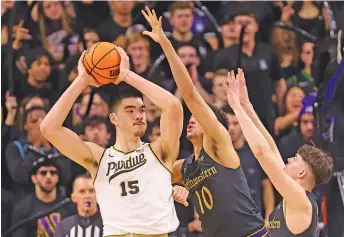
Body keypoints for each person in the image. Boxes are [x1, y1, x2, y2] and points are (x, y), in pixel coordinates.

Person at [40, 34, 187, 236]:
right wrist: (82, 80)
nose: (139, 115)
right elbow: (49, 128)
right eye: (130, 110)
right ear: (114, 119)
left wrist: (126, 75)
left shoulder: (160, 151)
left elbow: (172, 106)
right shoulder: (99, 158)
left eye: (142, 110)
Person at [142, 7, 267, 237]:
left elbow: (189, 95)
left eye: (196, 119)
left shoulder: (218, 146)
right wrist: (172, 189)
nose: (191, 121)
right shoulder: (186, 166)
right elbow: (150, 180)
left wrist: (165, 43)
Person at [222, 68, 334, 236]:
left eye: (295, 159)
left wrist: (236, 108)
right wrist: (247, 106)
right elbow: (271, 149)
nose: (288, 159)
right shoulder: (294, 193)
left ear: (302, 172)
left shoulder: (300, 201)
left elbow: (262, 153)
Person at [10, 158, 75, 237]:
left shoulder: (69, 206)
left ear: (58, 177)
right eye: (43, 173)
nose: (48, 176)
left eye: (53, 172)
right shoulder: (22, 208)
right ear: (34, 178)